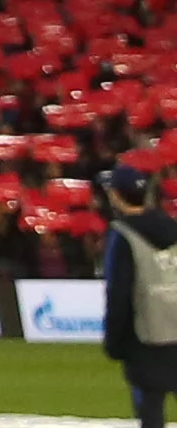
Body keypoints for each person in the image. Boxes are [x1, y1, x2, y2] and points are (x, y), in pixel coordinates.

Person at [95, 165, 175, 428]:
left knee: (150, 410)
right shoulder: (172, 227)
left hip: (145, 337)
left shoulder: (122, 235)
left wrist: (115, 341)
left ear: (116, 196)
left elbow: (118, 291)